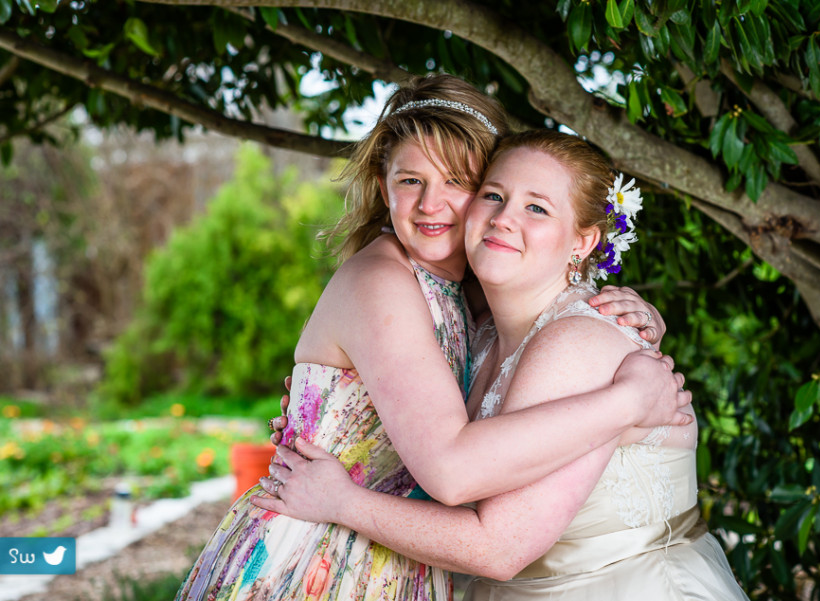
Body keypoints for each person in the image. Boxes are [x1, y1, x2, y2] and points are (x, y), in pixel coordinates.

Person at [175, 75, 690, 601]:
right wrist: (630, 401)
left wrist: (639, 318)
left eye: (457, 182)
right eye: (410, 181)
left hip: (389, 553)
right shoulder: (382, 281)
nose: (430, 204)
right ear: (383, 188)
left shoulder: (472, 301)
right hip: (318, 556)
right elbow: (450, 468)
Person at [258, 130, 749, 600]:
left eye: (536, 207)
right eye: (494, 196)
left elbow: (496, 546)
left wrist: (342, 502)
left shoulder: (576, 342)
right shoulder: (482, 332)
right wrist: (333, 408)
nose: (503, 218)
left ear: (583, 243)